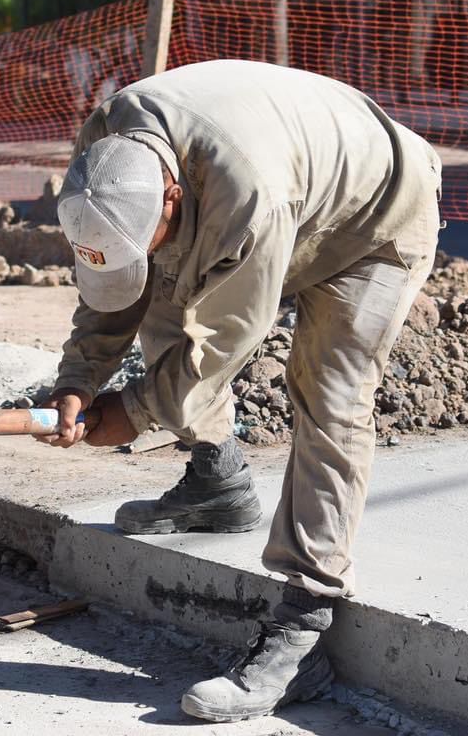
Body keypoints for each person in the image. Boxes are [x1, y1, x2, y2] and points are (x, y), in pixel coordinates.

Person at [40, 59, 443, 722]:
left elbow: (226, 343)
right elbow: (122, 281)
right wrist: (79, 381)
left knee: (330, 391)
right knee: (167, 293)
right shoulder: (105, 157)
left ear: (170, 197)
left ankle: (305, 624)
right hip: (292, 189)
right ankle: (216, 479)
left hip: (377, 214)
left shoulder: (245, 192)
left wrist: (135, 413)